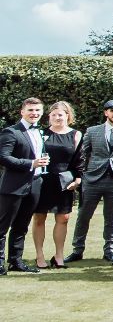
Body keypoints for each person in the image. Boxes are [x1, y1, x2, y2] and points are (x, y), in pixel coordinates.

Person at [68, 98, 113, 263]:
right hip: (93, 180)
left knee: (111, 217)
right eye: (112, 111)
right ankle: (77, 250)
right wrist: (82, 175)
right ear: (106, 112)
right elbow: (81, 155)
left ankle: (109, 250)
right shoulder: (92, 131)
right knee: (83, 215)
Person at [31, 101, 82, 269]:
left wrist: (77, 180)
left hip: (65, 182)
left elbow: (79, 161)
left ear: (68, 116)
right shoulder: (40, 133)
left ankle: (59, 256)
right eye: (53, 115)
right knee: (39, 218)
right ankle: (39, 256)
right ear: (49, 117)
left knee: (63, 218)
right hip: (42, 181)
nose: (57, 117)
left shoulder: (76, 135)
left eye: (61, 114)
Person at [0, 98, 47, 275]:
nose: (34, 113)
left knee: (22, 225)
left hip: (35, 183)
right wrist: (31, 163)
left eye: (37, 110)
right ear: (22, 112)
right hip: (13, 186)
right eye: (31, 110)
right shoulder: (10, 132)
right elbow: (3, 157)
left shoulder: (40, 132)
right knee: (3, 226)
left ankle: (15, 261)